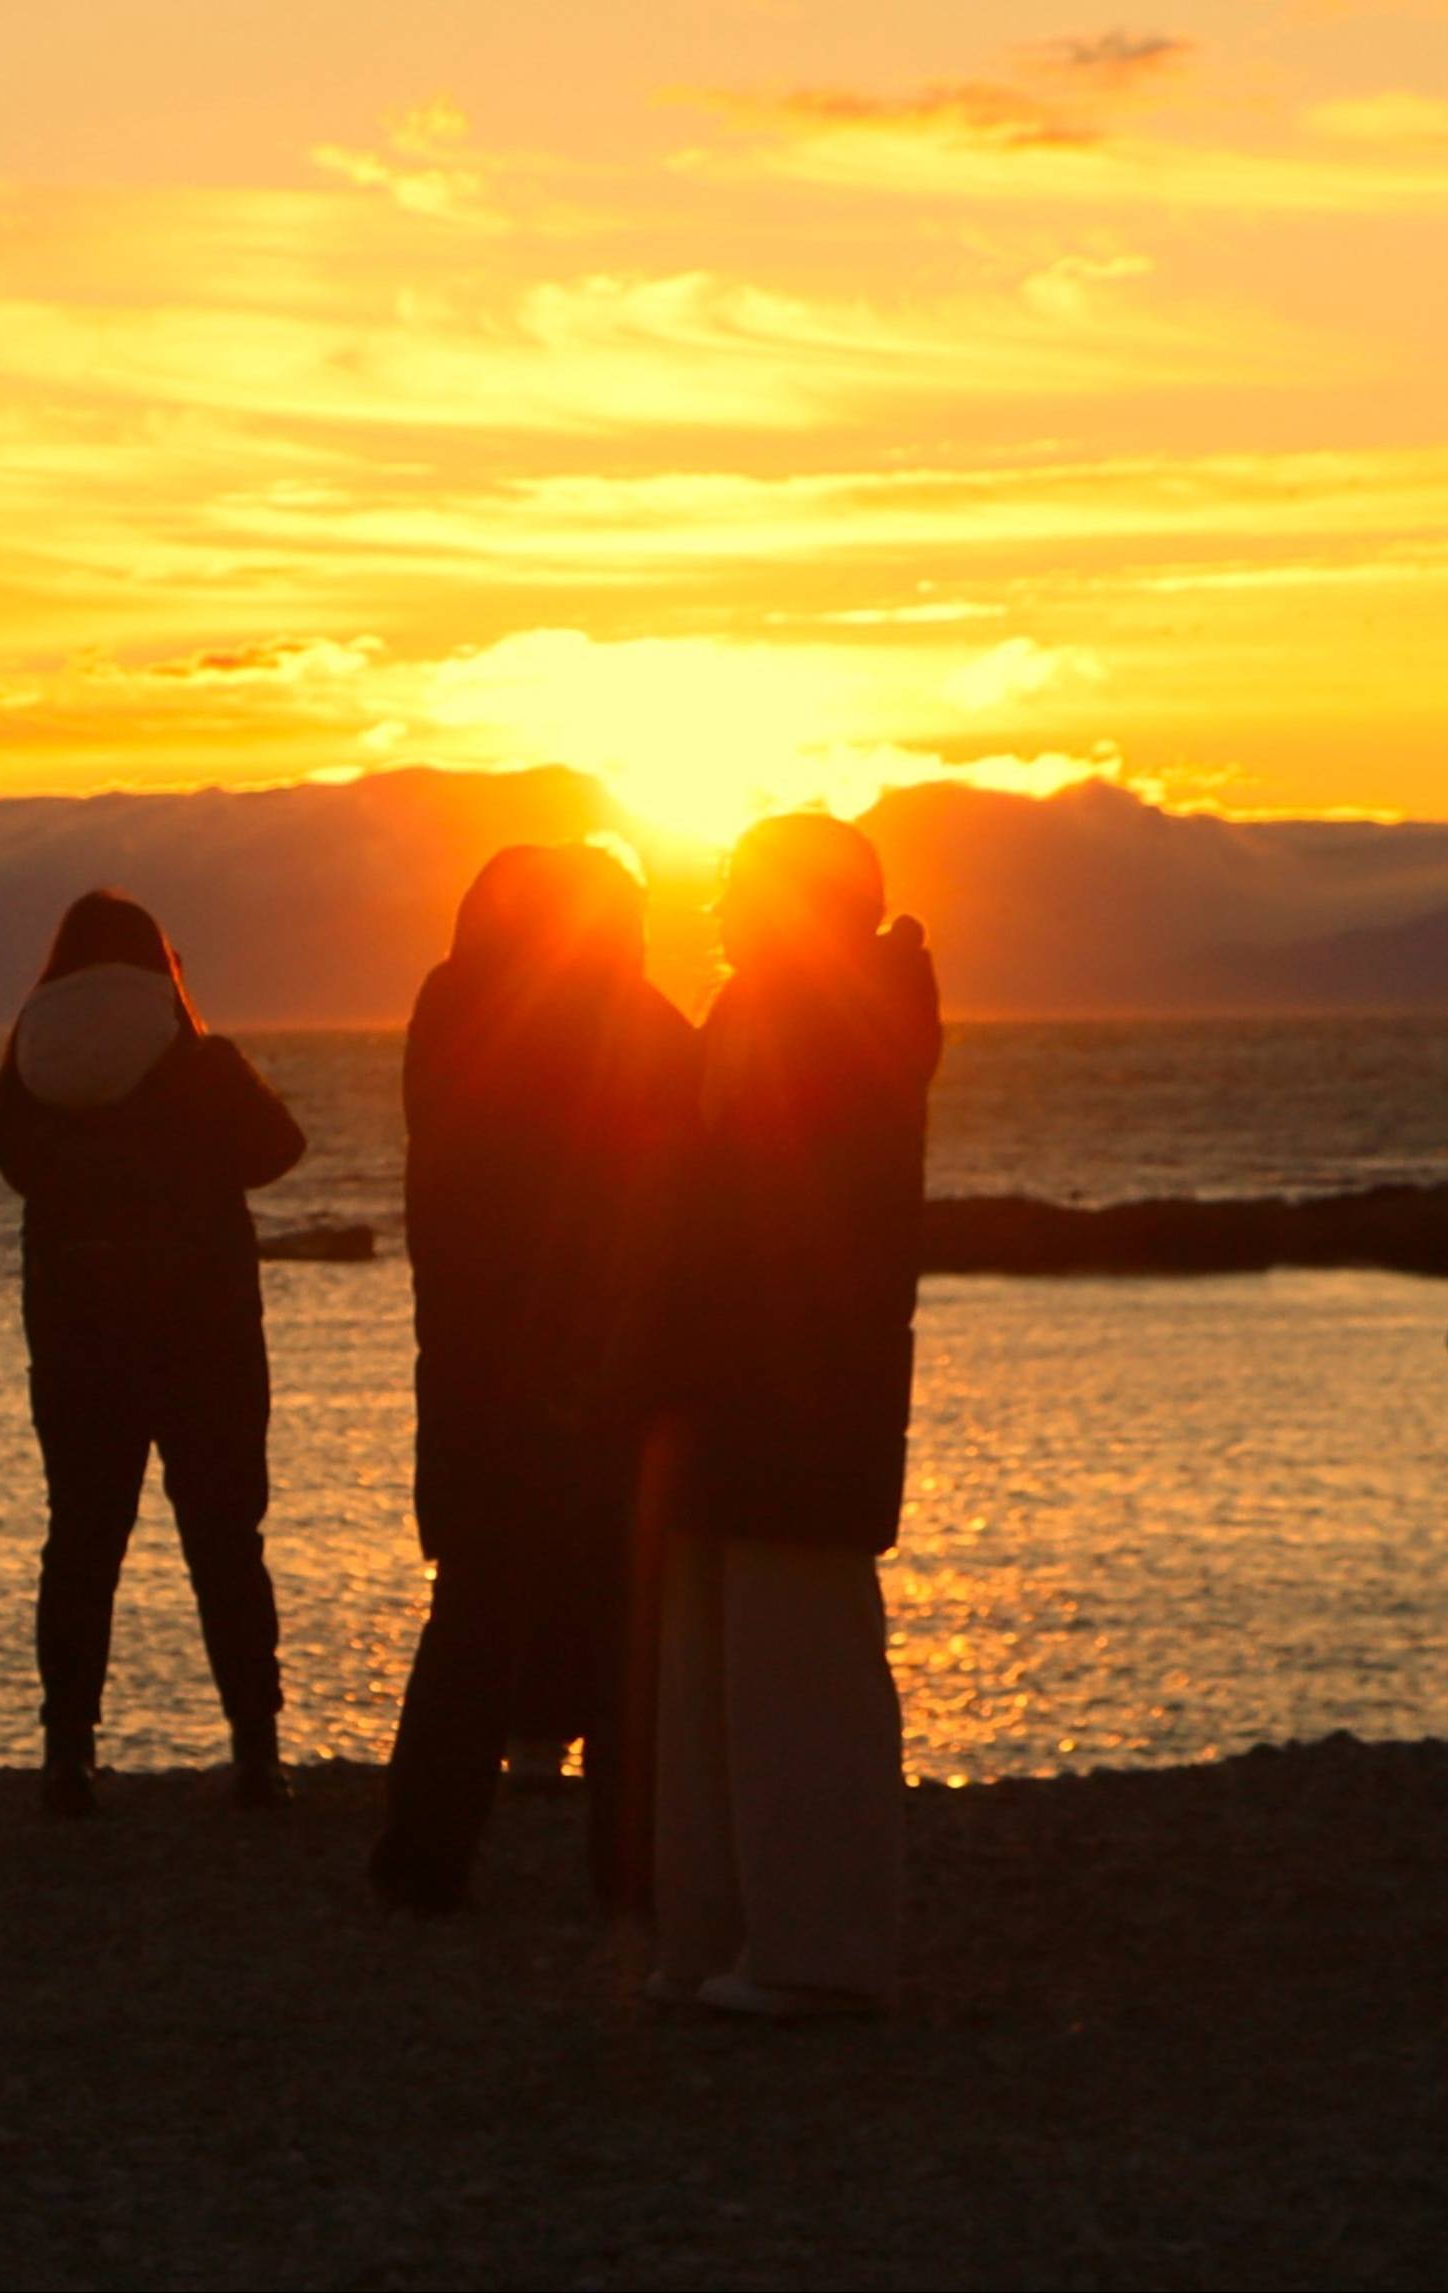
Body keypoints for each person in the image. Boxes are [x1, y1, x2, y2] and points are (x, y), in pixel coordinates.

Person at [649, 814, 939, 2018]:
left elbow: (780, 1215)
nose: (716, 908)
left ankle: (817, 1951)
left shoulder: (826, 1020)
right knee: (730, 1675)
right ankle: (737, 1933)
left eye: (737, 888)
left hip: (793, 1394)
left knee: (797, 1677)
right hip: (744, 1390)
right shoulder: (786, 1010)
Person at [371, 845, 697, 1913]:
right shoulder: (630, 1028)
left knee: (473, 1619)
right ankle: (627, 1868)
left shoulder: (453, 1020)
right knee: (621, 1627)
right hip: (604, 1368)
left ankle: (422, 1864)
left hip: (474, 1375)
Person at [0, 891, 306, 1816]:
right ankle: (256, 1753)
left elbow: (13, 1164)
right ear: (159, 966)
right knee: (225, 1544)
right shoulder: (195, 1062)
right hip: (205, 1336)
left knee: (82, 1544)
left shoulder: (28, 1068)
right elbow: (280, 1145)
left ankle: (67, 1754)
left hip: (78, 1339)